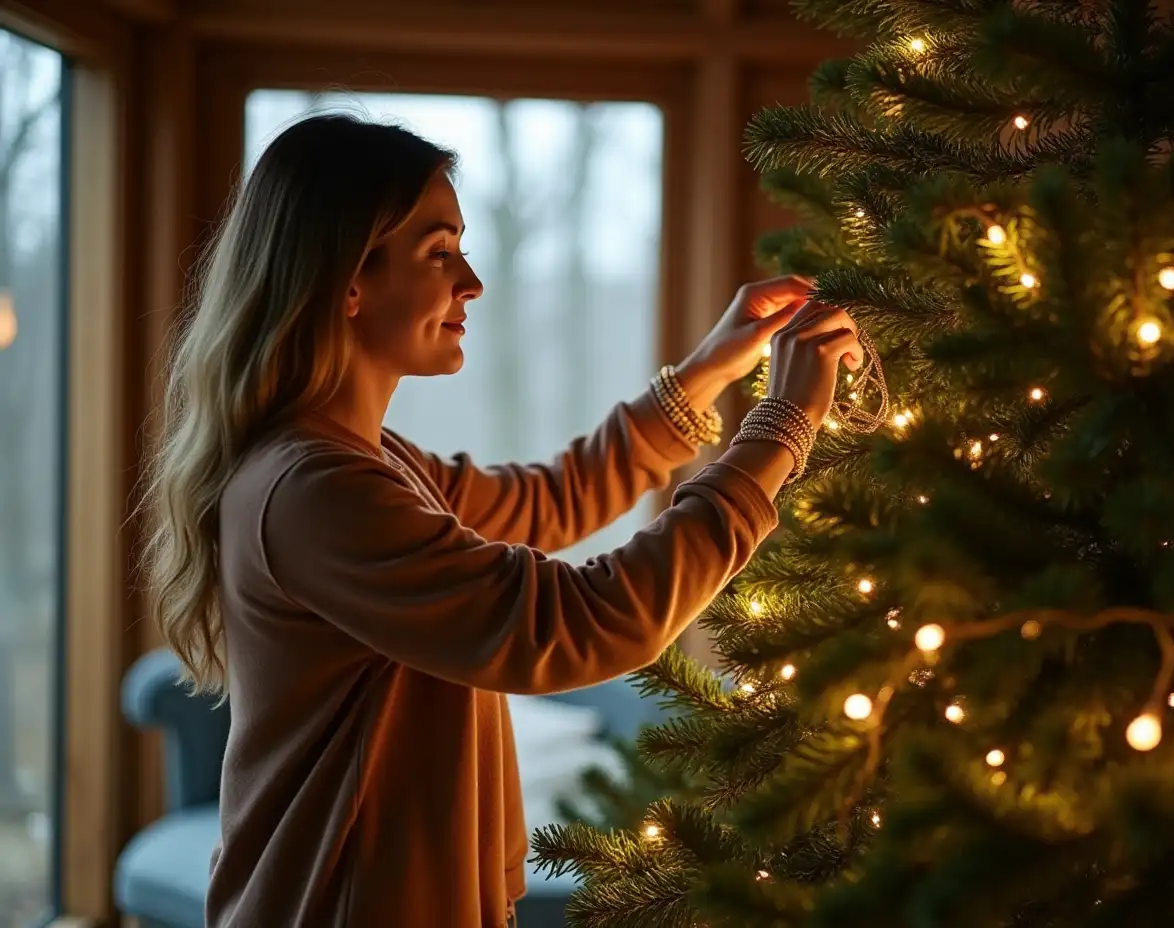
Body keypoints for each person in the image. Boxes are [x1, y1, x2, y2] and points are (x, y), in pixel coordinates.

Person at [141, 113, 863, 928]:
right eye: (439, 252)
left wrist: (706, 373)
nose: (472, 281)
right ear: (347, 278)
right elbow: (574, 624)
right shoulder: (317, 489)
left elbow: (544, 503)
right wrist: (779, 432)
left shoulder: (360, 460)